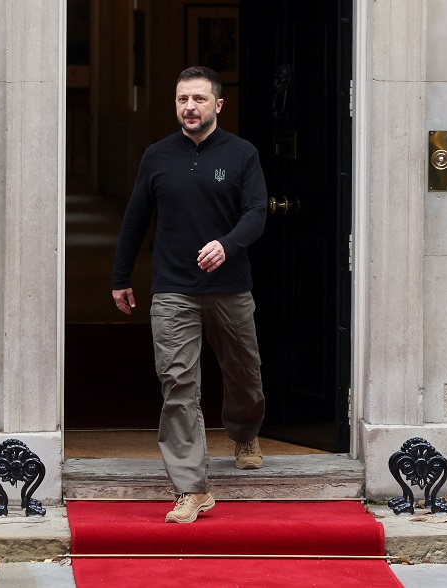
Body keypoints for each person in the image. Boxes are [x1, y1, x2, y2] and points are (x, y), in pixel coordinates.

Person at [112, 66, 268, 523]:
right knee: (178, 384)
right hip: (174, 289)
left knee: (244, 372)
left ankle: (244, 433)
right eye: (183, 99)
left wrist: (227, 244)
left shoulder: (242, 154)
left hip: (230, 287)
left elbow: (257, 213)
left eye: (199, 99)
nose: (190, 107)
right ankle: (191, 487)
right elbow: (136, 218)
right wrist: (121, 276)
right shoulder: (157, 156)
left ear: (217, 105)